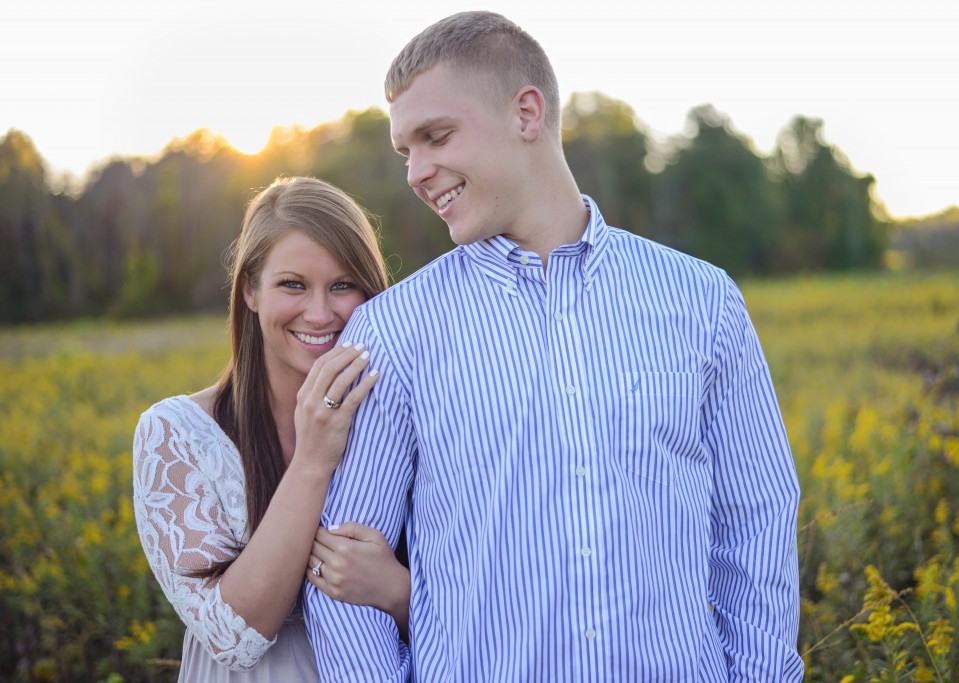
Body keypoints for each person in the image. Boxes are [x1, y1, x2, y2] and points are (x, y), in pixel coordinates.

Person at [304, 11, 803, 681]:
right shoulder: (391, 334)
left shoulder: (701, 302)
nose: (417, 173)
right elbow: (342, 584)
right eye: (405, 152)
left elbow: (757, 525)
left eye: (437, 136)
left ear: (527, 114)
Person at [133, 176, 410, 682]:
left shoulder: (406, 423)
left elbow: (484, 611)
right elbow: (232, 635)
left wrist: (397, 592)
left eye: (343, 285)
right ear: (250, 290)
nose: (321, 313)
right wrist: (312, 460)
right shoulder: (175, 435)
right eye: (293, 284)